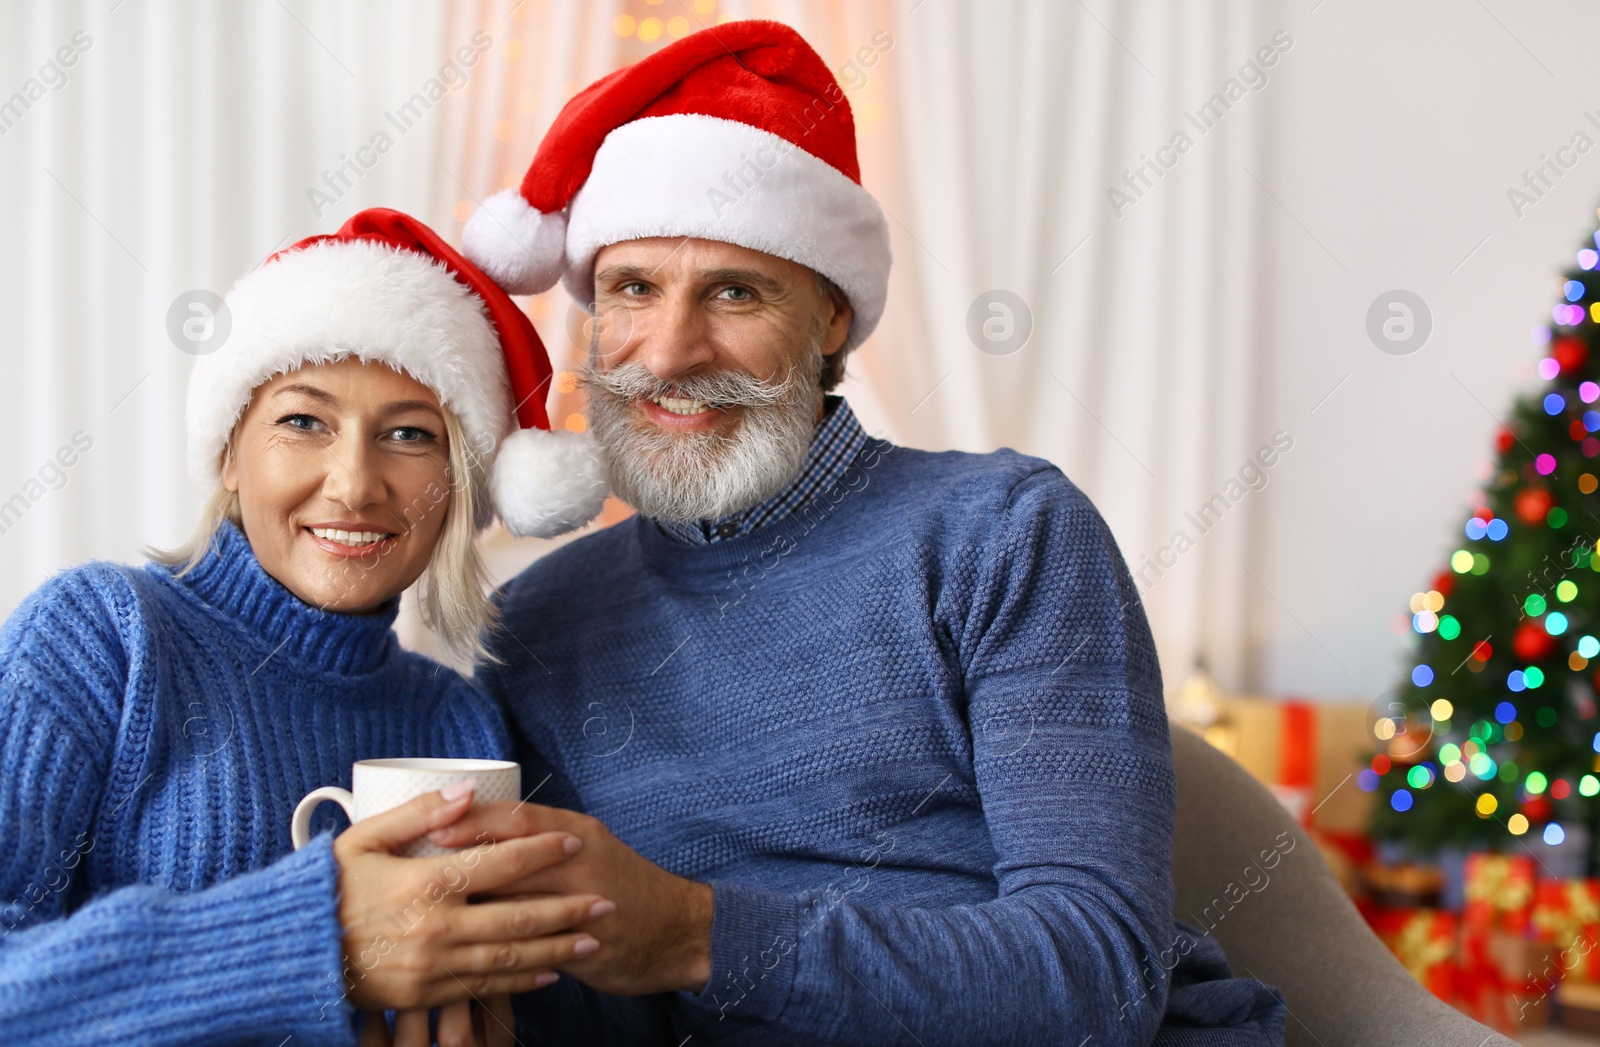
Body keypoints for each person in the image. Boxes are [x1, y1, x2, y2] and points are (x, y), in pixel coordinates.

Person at [436, 20, 1291, 1046]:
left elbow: (1097, 976)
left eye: (735, 291)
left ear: (830, 317)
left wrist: (695, 937)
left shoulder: (1002, 536)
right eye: (631, 289)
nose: (668, 351)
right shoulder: (538, 623)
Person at [0, 208, 611, 1046]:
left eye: (409, 434)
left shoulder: (453, 719)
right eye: (302, 421)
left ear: (460, 485)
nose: (355, 484)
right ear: (227, 450)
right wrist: (312, 941)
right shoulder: (100, 639)